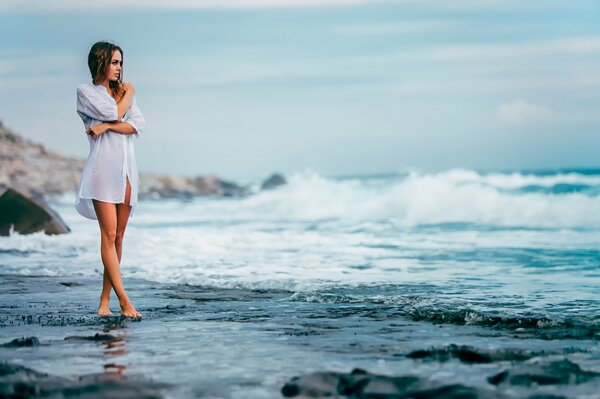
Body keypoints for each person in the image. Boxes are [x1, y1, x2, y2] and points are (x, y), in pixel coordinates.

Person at [75, 41, 145, 318]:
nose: (119, 68)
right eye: (114, 63)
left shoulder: (124, 92)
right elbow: (114, 113)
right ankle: (125, 302)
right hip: (103, 169)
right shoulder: (85, 92)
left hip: (128, 169)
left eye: (120, 63)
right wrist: (130, 93)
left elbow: (137, 124)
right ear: (101, 63)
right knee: (108, 235)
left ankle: (104, 301)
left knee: (118, 238)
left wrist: (105, 127)